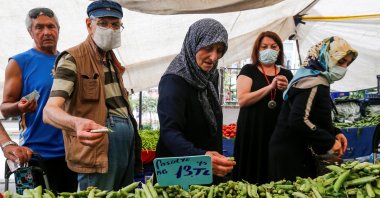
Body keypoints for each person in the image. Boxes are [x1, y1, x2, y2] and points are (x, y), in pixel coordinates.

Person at [43, 0, 142, 191]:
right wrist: (76, 123)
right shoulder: (72, 59)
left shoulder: (111, 59)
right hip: (98, 150)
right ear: (89, 25)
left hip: (124, 147)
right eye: (103, 23)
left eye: (115, 25)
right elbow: (49, 111)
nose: (110, 29)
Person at [0, 7, 77, 193]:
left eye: (51, 26)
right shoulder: (19, 62)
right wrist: (19, 107)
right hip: (33, 155)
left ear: (58, 29)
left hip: (70, 154)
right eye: (39, 27)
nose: (47, 32)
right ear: (30, 32)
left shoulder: (69, 60)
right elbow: (4, 108)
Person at [156, 18, 236, 183]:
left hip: (202, 171)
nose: (214, 57)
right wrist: (202, 157)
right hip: (178, 174)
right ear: (194, 43)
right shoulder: (174, 80)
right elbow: (169, 133)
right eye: (208, 48)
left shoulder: (209, 76)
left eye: (219, 50)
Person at [268, 36, 358, 181]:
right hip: (291, 154)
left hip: (291, 150)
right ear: (325, 57)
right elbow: (298, 120)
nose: (344, 68)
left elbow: (313, 115)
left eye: (347, 63)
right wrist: (329, 141)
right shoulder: (313, 82)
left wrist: (335, 132)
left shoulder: (313, 78)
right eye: (340, 61)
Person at [232, 31, 293, 184]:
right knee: (251, 170)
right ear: (257, 50)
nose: (269, 50)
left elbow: (293, 104)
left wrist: (287, 89)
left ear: (279, 50)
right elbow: (242, 99)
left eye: (273, 47)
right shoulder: (248, 70)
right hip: (252, 129)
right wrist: (270, 87)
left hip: (277, 131)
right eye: (264, 46)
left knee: (274, 172)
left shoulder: (286, 74)